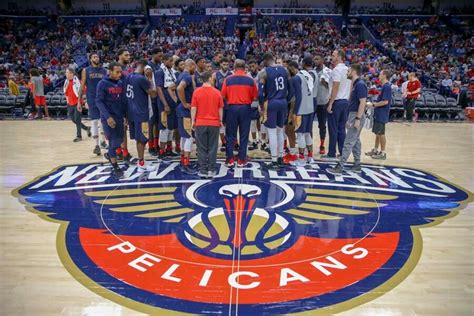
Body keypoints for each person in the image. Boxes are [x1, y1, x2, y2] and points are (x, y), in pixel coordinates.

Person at [327, 64, 367, 175]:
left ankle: (340, 166)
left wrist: (357, 119)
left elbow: (363, 102)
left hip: (356, 116)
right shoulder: (355, 84)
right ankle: (357, 165)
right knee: (356, 141)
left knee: (348, 141)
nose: (346, 72)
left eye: (348, 70)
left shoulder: (360, 85)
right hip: (353, 114)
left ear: (354, 72)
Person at [258, 53, 292, 170]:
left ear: (266, 61)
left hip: (271, 103)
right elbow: (291, 88)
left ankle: (273, 160)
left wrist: (262, 106)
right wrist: (286, 100)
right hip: (283, 102)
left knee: (271, 132)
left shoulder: (264, 72)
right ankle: (280, 158)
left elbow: (260, 93)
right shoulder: (285, 70)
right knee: (280, 131)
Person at [221, 59, 258, 167]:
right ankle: (242, 159)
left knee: (230, 135)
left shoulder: (228, 79)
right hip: (246, 108)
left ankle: (230, 159)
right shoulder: (250, 80)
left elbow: (222, 96)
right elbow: (255, 97)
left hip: (231, 108)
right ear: (244, 67)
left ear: (235, 67)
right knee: (244, 134)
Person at [124, 59, 158, 173]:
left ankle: (141, 161)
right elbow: (153, 94)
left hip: (131, 112)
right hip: (141, 113)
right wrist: (150, 79)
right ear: (144, 68)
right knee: (142, 139)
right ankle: (141, 163)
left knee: (139, 138)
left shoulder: (129, 76)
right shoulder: (142, 79)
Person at [96, 62, 127, 178]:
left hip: (119, 117)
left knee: (119, 141)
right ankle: (115, 167)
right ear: (110, 71)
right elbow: (98, 101)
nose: (120, 74)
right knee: (113, 142)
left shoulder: (120, 83)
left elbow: (123, 102)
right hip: (108, 118)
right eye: (117, 72)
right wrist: (108, 117)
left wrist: (125, 116)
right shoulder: (102, 84)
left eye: (120, 72)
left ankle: (110, 154)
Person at [191, 71, 224, 178]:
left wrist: (193, 121)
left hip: (200, 123)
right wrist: (220, 120)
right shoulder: (217, 92)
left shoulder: (196, 92)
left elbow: (193, 108)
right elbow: (220, 109)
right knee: (213, 147)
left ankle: (203, 170)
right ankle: (211, 169)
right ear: (210, 78)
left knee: (201, 147)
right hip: (214, 123)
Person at [322, 49, 351, 161]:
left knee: (333, 128)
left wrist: (331, 103)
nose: (331, 57)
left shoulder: (336, 70)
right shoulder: (348, 69)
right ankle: (342, 152)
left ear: (339, 57)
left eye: (333, 55)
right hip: (345, 101)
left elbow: (335, 86)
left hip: (336, 101)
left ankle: (331, 153)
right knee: (341, 128)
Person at [288, 59, 316, 166]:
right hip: (310, 109)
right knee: (308, 134)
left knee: (300, 134)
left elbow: (298, 97)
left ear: (292, 68)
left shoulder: (296, 78)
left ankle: (301, 159)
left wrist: (295, 112)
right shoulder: (307, 74)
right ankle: (310, 157)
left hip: (301, 110)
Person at [79, 53, 107, 155]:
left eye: (97, 56)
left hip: (103, 99)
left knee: (103, 121)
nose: (96, 58)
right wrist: (80, 101)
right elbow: (82, 86)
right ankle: (97, 145)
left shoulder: (104, 71)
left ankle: (103, 140)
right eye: (94, 57)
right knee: (95, 121)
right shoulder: (86, 70)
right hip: (92, 99)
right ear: (90, 59)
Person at [365, 69, 392, 160]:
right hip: (379, 113)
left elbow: (385, 102)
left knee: (381, 133)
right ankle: (376, 150)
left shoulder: (387, 87)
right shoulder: (384, 86)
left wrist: (373, 104)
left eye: (380, 74)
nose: (378, 76)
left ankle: (383, 153)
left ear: (384, 75)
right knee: (377, 133)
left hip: (382, 113)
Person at [156, 54, 179, 159]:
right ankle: (161, 151)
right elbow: (159, 89)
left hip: (172, 102)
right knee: (164, 127)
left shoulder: (171, 72)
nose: (172, 63)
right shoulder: (160, 72)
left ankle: (169, 149)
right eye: (170, 61)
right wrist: (165, 104)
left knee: (170, 127)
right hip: (165, 103)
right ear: (164, 60)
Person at [176, 59, 197, 174]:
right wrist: (184, 103)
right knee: (189, 137)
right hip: (185, 110)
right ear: (192, 65)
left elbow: (172, 88)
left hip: (180, 109)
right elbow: (179, 88)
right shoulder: (188, 77)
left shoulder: (180, 75)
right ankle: (186, 164)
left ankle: (183, 160)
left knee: (184, 137)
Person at [212, 57, 232, 152]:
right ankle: (223, 142)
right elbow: (212, 89)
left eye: (227, 64)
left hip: (229, 102)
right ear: (220, 65)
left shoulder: (231, 74)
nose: (225, 66)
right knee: (221, 123)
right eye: (224, 64)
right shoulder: (215, 75)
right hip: (219, 103)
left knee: (230, 123)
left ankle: (230, 141)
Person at [116, 48, 133, 161]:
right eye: (126, 55)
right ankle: (121, 151)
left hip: (125, 100)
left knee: (123, 127)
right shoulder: (115, 68)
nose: (129, 57)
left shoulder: (126, 68)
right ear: (120, 56)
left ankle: (121, 150)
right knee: (119, 127)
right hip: (117, 101)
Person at [313, 54, 331, 155]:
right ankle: (309, 145)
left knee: (322, 125)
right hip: (312, 101)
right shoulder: (312, 71)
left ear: (322, 60)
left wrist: (325, 83)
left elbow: (332, 85)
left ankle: (322, 145)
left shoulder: (328, 71)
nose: (315, 60)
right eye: (314, 59)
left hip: (323, 102)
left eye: (317, 58)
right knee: (308, 125)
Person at [247, 59, 262, 151]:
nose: (252, 68)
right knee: (253, 122)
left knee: (260, 121)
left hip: (261, 100)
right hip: (252, 100)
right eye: (250, 66)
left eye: (253, 66)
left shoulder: (261, 74)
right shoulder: (248, 76)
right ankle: (254, 140)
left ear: (257, 65)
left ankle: (261, 138)